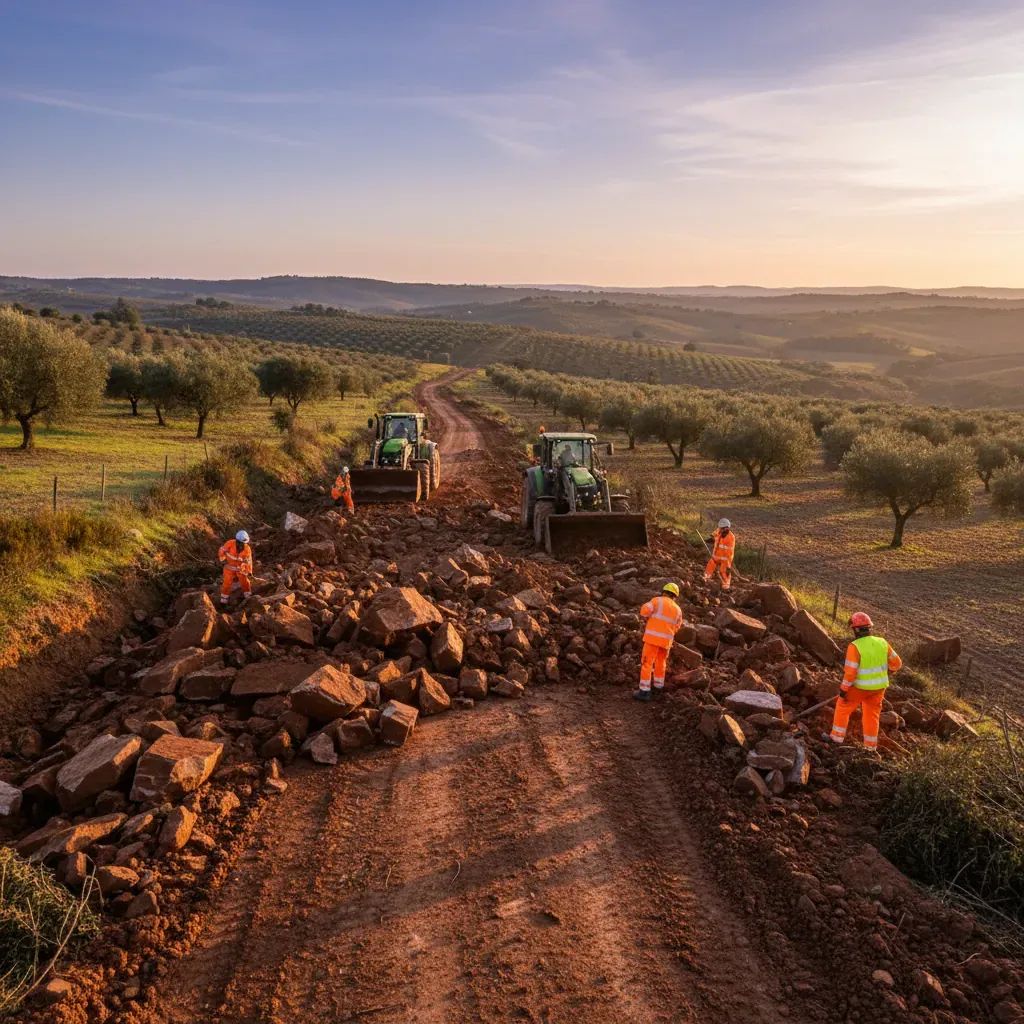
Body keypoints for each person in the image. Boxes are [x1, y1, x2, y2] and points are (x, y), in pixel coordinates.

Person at [828, 612, 902, 752]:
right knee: (872, 716)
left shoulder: (855, 646)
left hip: (860, 688)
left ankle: (836, 738)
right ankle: (870, 747)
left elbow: (850, 673)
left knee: (842, 707)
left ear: (855, 629)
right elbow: (897, 664)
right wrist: (888, 671)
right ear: (869, 627)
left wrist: (843, 690)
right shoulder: (882, 642)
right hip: (879, 688)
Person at [634, 582, 685, 702]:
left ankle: (644, 692)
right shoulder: (678, 609)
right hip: (666, 642)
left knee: (647, 663)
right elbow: (677, 626)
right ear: (675, 596)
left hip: (652, 639)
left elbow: (645, 611)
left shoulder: (657, 600)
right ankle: (658, 686)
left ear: (664, 591)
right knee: (661, 663)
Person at [218, 530, 253, 606]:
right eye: (240, 543)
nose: (241, 545)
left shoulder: (247, 549)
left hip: (240, 569)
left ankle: (248, 597)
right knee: (227, 583)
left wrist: (249, 571)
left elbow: (249, 560)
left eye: (243, 543)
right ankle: (223, 601)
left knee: (245, 582)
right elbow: (222, 550)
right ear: (236, 540)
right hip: (229, 567)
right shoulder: (229, 543)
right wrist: (222, 560)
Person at [703, 518, 735, 590]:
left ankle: (726, 586)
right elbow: (713, 536)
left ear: (727, 528)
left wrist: (722, 561)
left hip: (726, 558)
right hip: (716, 555)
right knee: (710, 564)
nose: (721, 530)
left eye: (723, 529)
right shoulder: (718, 531)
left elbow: (728, 551)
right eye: (720, 528)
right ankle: (706, 577)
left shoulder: (731, 538)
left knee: (724, 571)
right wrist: (710, 540)